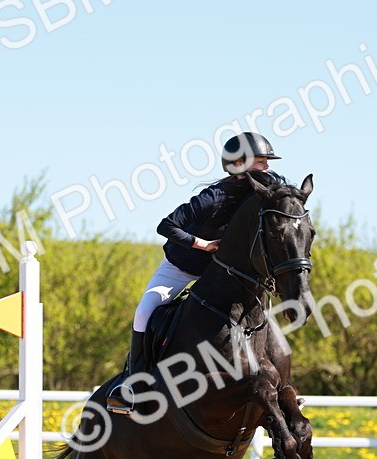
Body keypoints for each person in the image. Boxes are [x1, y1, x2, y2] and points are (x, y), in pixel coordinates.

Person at [107, 132, 286, 414]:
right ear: (239, 164)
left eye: (267, 162)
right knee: (144, 311)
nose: (267, 168)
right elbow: (166, 225)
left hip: (224, 274)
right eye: (261, 162)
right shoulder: (213, 198)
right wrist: (202, 244)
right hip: (182, 269)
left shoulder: (264, 191)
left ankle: (280, 386)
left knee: (258, 315)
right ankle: (134, 383)